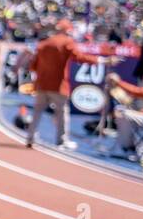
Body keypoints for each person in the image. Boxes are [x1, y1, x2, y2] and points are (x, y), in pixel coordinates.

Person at [26, 19, 107, 151]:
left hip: (41, 84)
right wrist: (100, 60)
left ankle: (30, 137)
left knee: (37, 112)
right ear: (67, 30)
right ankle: (61, 140)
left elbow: (33, 66)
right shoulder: (67, 42)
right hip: (58, 85)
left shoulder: (44, 44)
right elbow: (79, 57)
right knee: (62, 113)